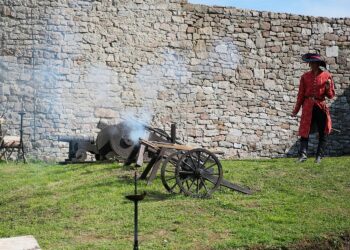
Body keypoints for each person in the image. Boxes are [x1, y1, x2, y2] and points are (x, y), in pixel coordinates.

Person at [292, 53, 335, 163]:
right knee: (304, 130)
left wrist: (328, 87)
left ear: (318, 63)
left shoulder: (327, 76)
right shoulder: (305, 77)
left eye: (314, 62)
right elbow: (300, 95)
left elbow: (330, 95)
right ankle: (303, 155)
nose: (312, 64)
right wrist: (296, 110)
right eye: (310, 62)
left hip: (321, 106)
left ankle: (319, 156)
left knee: (323, 131)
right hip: (307, 106)